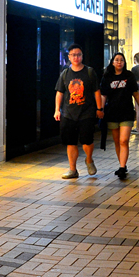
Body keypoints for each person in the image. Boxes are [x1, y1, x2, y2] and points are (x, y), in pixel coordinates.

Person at [54, 44, 103, 179]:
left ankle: (89, 159)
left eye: (78, 55)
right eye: (73, 55)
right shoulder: (65, 74)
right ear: (69, 57)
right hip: (68, 113)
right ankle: (73, 170)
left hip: (86, 112)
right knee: (71, 142)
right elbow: (59, 93)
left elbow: (97, 91)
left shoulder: (89, 72)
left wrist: (99, 108)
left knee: (87, 141)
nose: (76, 57)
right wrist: (57, 110)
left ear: (82, 56)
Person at [100, 53, 139, 178]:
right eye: (117, 60)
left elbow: (135, 93)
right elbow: (103, 95)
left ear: (124, 62)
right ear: (112, 62)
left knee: (124, 140)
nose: (119, 62)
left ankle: (122, 168)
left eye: (121, 60)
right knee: (117, 141)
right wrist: (100, 109)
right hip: (112, 113)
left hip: (127, 112)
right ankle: (122, 164)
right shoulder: (107, 77)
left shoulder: (129, 76)